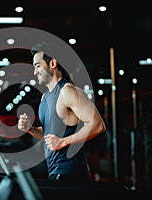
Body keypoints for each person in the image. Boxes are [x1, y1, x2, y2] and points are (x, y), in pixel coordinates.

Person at [18, 42, 106, 182]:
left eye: (38, 66)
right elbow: (51, 135)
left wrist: (63, 142)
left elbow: (98, 125)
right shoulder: (44, 98)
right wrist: (31, 129)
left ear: (53, 63)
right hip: (54, 171)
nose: (35, 72)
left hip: (70, 172)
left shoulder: (68, 91)